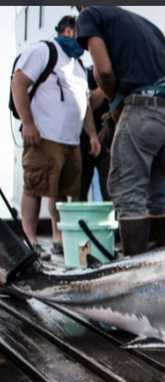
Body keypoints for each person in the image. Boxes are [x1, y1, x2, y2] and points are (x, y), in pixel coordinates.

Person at [76, 6, 165, 255]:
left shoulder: (91, 15)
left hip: (143, 107)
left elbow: (103, 71)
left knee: (128, 189)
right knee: (156, 191)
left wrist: (115, 104)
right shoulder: (148, 27)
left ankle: (135, 268)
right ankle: (159, 261)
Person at [11, 15, 100, 259]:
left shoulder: (79, 65)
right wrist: (28, 123)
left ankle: (59, 238)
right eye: (76, 32)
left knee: (62, 191)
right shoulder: (44, 51)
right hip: (44, 136)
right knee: (35, 186)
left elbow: (86, 105)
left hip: (71, 141)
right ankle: (30, 241)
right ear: (67, 31)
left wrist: (92, 134)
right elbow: (18, 82)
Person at [80, 65, 110, 202]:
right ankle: (78, 222)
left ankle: (113, 223)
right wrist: (106, 83)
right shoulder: (86, 73)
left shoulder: (121, 74)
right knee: (80, 190)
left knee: (109, 191)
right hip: (85, 140)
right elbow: (89, 103)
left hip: (109, 142)